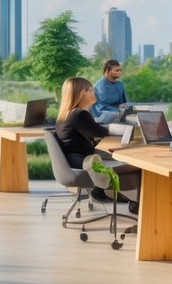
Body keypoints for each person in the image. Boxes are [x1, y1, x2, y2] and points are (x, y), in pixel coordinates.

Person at [54, 76, 140, 204]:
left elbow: (95, 129)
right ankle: (137, 205)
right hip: (87, 164)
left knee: (119, 156)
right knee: (139, 166)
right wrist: (134, 131)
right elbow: (101, 131)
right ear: (83, 92)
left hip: (75, 162)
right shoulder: (79, 115)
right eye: (92, 91)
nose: (95, 95)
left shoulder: (66, 114)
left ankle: (102, 192)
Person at [90, 59, 128, 124]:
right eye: (117, 70)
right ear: (107, 71)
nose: (120, 72)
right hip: (102, 115)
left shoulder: (120, 84)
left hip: (116, 113)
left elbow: (123, 103)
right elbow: (108, 104)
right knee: (114, 114)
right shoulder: (101, 85)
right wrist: (119, 106)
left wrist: (124, 106)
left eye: (120, 70)